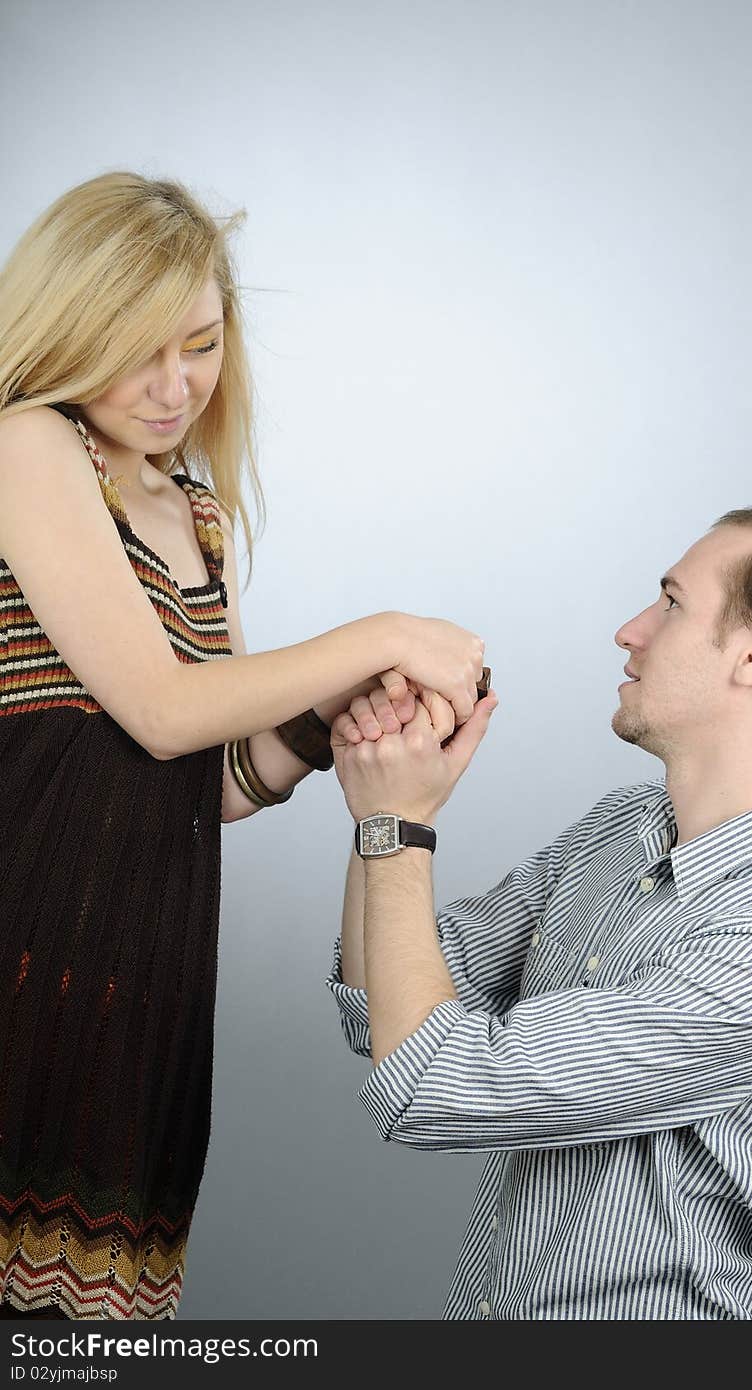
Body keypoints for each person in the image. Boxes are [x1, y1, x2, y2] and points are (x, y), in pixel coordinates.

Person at [0, 171, 485, 1320]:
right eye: (138, 352)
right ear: (67, 332)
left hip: (141, 978)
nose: (177, 388)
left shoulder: (191, 507)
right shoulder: (28, 447)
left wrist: (322, 725)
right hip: (21, 952)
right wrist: (379, 630)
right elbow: (164, 706)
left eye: (203, 345)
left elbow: (204, 778)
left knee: (86, 1325)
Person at [327, 507, 752, 1320]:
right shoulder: (622, 827)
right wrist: (385, 801)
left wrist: (395, 826)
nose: (630, 631)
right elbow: (380, 1014)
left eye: (672, 603)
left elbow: (432, 1086)